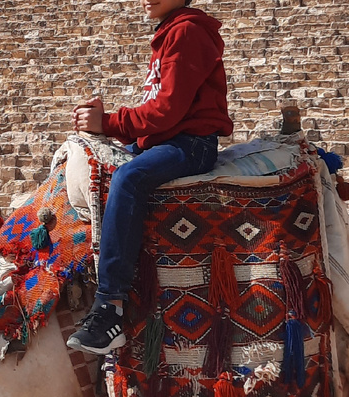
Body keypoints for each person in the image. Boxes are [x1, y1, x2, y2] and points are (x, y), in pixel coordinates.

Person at [66, 0, 233, 354]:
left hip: (191, 145)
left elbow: (167, 110)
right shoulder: (170, 32)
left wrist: (109, 124)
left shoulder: (187, 32)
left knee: (128, 179)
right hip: (166, 140)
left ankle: (110, 306)